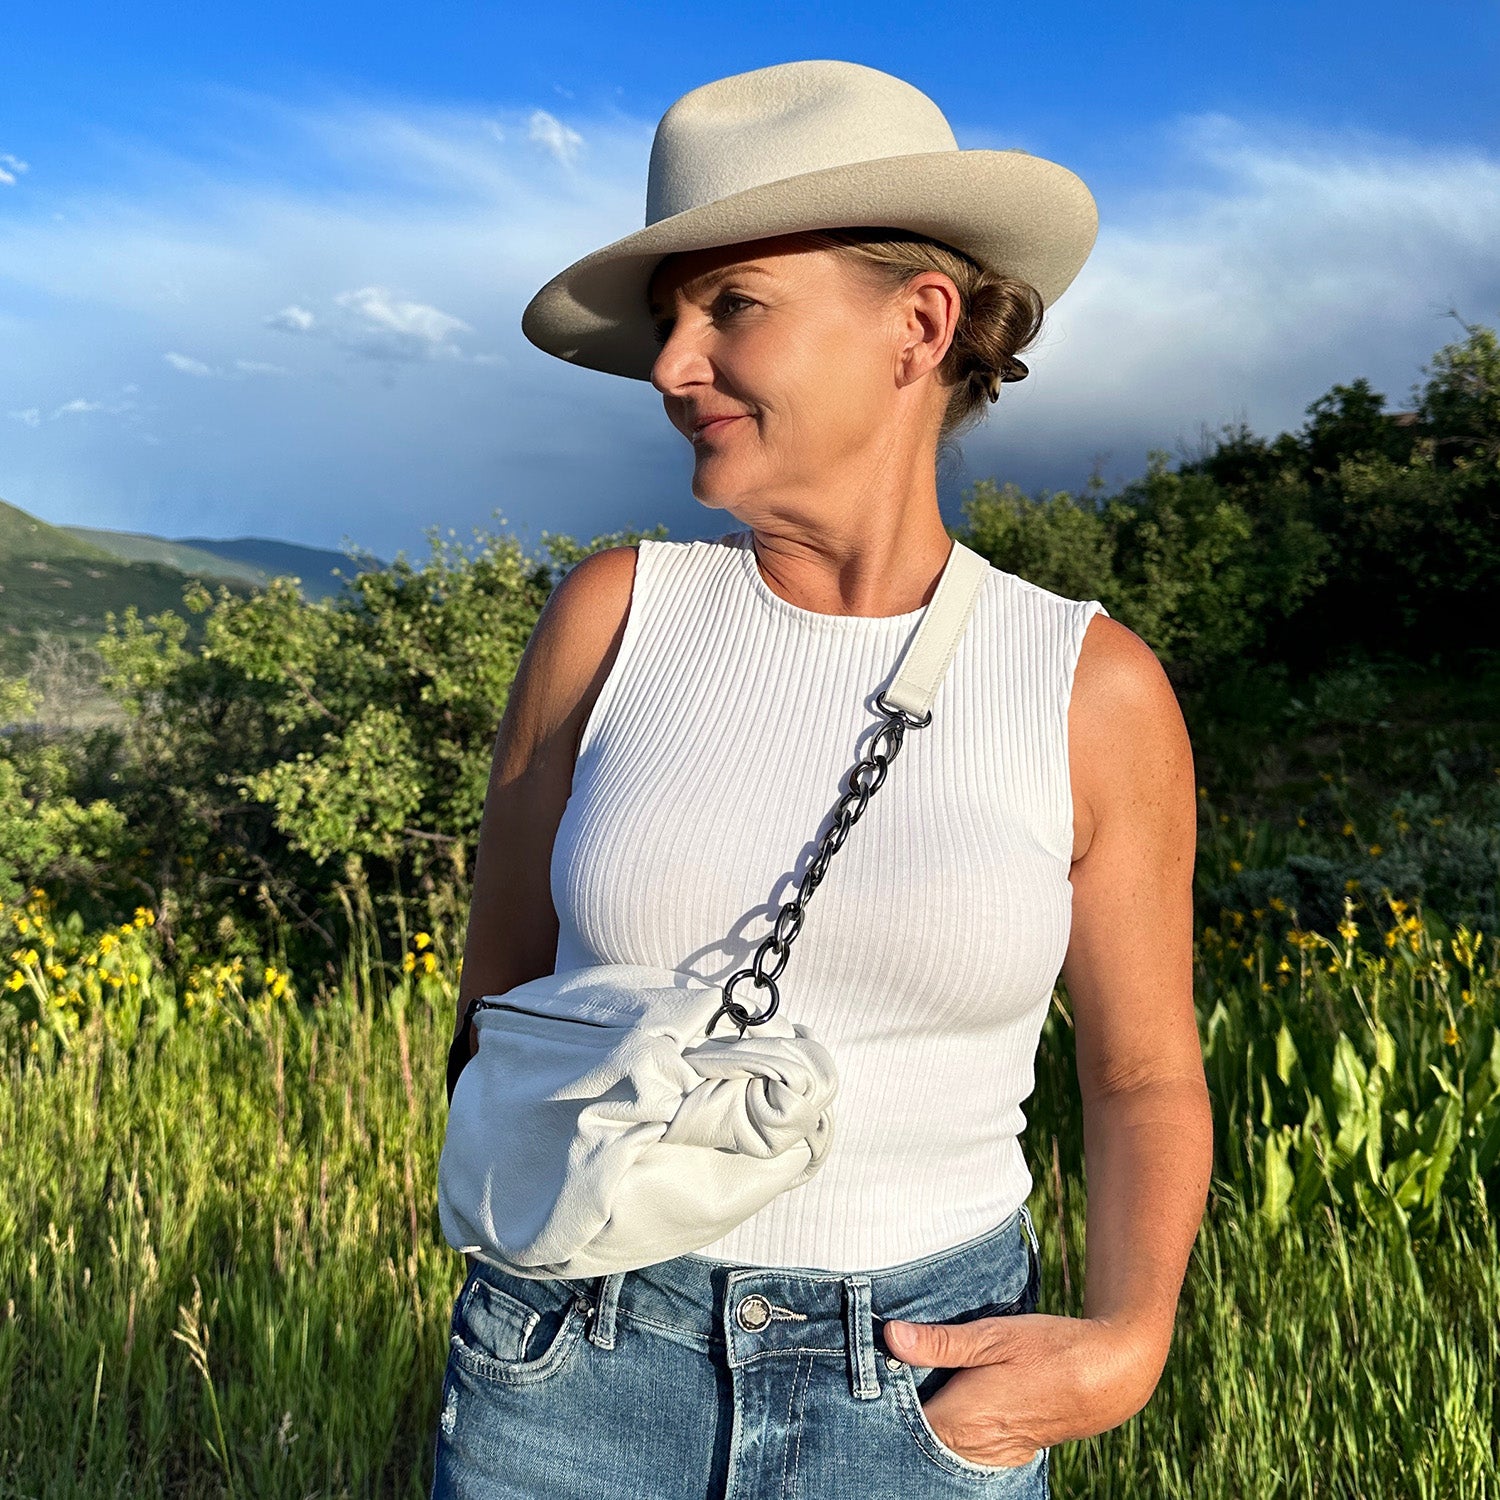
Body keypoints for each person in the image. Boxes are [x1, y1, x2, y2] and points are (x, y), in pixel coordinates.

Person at [430, 59, 1210, 1499]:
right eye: (672, 321)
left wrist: (1128, 1339)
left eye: (731, 306)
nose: (672, 367)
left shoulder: (1088, 688)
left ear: (920, 324)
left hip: (919, 1391)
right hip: (572, 1372)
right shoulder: (613, 618)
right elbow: (500, 997)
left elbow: (1145, 1069)